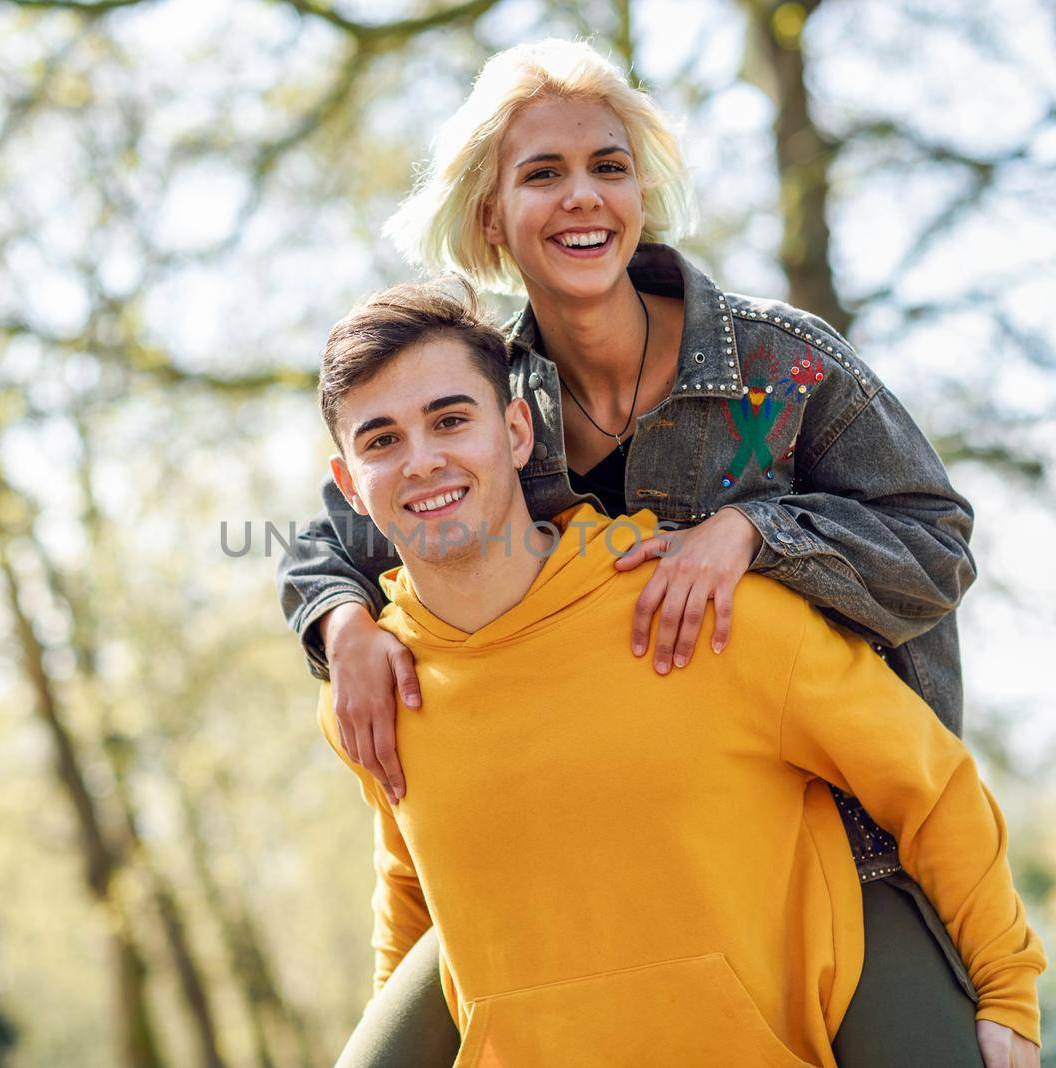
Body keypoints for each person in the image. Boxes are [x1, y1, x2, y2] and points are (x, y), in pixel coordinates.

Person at [277, 39, 984, 1066]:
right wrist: (341, 624)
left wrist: (752, 533)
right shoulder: (479, 396)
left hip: (827, 840)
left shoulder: (777, 368)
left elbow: (935, 544)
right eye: (542, 173)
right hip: (561, 862)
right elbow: (333, 533)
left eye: (608, 167)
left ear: (640, 192)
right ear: (490, 214)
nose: (583, 198)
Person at [309, 279, 1044, 1068]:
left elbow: (929, 783)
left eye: (451, 420)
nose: (423, 461)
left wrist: (1009, 987)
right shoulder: (377, 686)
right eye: (381, 441)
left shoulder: (704, 614)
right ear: (349, 485)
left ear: (518, 432)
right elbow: (413, 887)